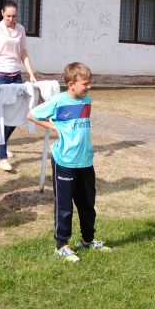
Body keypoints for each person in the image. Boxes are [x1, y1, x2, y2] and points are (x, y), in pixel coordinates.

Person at [28, 62, 109, 263]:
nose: (89, 86)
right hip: (64, 160)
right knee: (64, 206)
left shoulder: (87, 99)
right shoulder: (58, 101)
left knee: (87, 204)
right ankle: (61, 245)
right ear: (71, 84)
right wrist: (55, 128)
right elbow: (32, 115)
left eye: (89, 83)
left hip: (85, 161)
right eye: (85, 83)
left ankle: (87, 240)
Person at [0, 0, 37, 171]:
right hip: (0, 75)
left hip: (16, 75)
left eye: (14, 16)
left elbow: (23, 53)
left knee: (17, 113)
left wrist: (31, 74)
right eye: (8, 16)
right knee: (2, 115)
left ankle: (2, 142)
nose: (11, 19)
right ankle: (3, 157)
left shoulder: (20, 29)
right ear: (2, 13)